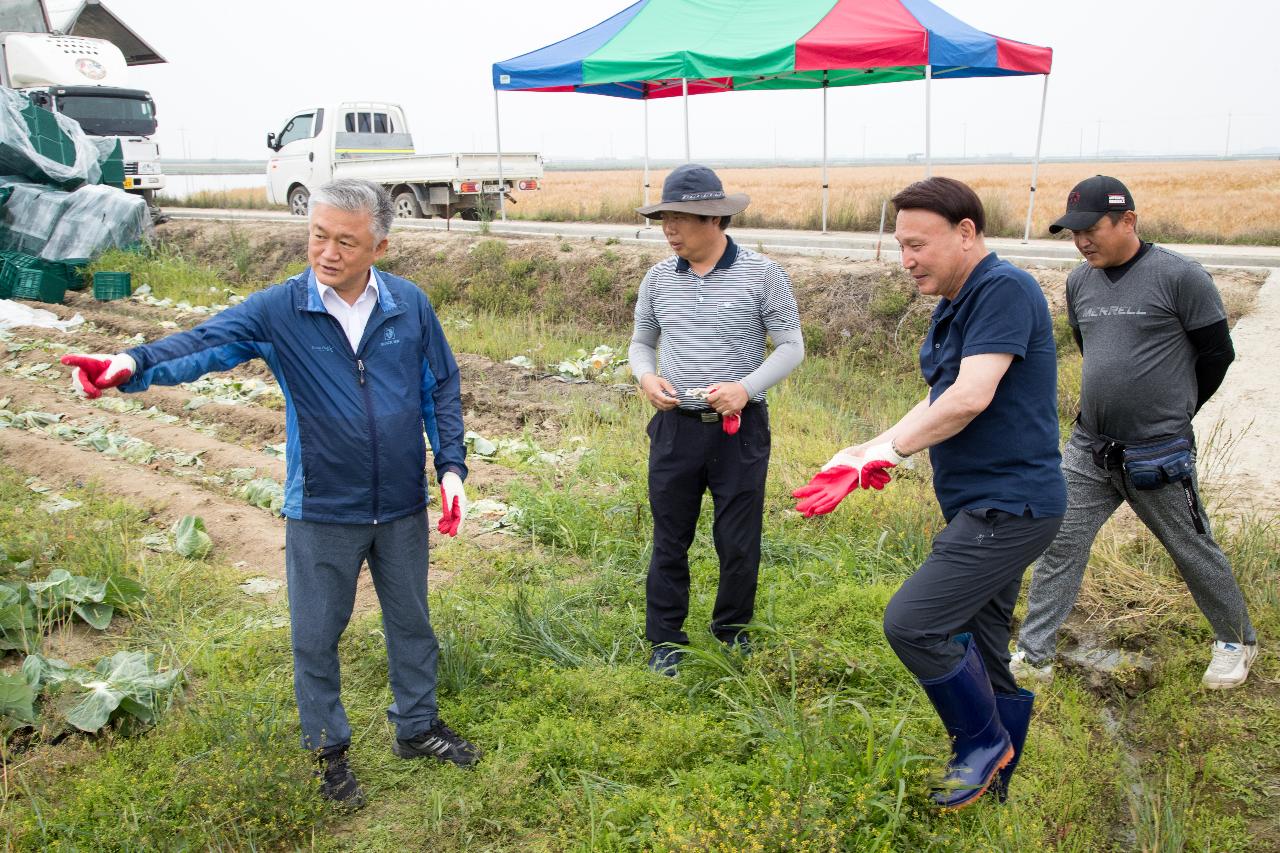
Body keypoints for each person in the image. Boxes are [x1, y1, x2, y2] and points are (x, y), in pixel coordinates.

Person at [60, 178, 478, 809]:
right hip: (322, 509)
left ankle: (417, 729)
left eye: (345, 241)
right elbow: (203, 343)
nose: (327, 252)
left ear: (379, 247)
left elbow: (439, 388)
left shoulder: (409, 306)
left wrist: (451, 470)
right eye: (317, 235)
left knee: (412, 624)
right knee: (316, 635)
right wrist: (131, 363)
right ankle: (327, 754)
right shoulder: (280, 310)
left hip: (399, 506)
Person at [795, 177, 1066, 809]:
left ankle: (978, 744)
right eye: (900, 246)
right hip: (981, 503)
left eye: (918, 244)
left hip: (1012, 506)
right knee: (985, 643)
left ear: (966, 233)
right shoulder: (956, 303)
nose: (907, 260)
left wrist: (891, 452)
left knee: (914, 623)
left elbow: (972, 397)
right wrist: (866, 449)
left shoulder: (1003, 288)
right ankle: (996, 781)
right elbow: (941, 397)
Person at [1013, 175, 1258, 689]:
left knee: (1192, 547)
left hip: (1158, 452)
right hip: (1089, 446)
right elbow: (1092, 349)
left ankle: (1236, 641)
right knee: (1060, 542)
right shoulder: (1080, 282)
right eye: (1072, 232)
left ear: (1128, 221)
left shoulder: (1180, 277)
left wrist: (1174, 412)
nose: (1081, 241)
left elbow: (1217, 355)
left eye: (1090, 229)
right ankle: (1035, 655)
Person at [629, 163, 804, 675]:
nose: (670, 230)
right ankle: (665, 640)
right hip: (675, 428)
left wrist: (745, 389)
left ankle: (732, 634)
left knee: (738, 539)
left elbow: (792, 347)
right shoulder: (658, 278)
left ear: (715, 219)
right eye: (664, 218)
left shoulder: (763, 274)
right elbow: (642, 342)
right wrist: (645, 378)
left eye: (680, 218)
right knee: (670, 538)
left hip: (738, 431)